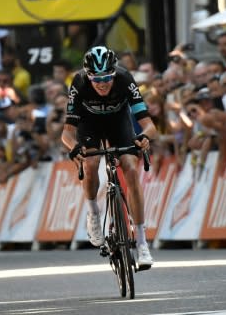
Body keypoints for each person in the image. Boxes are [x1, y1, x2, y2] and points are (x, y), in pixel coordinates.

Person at [61, 46, 156, 269]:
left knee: (131, 168)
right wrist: (74, 147)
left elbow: (149, 125)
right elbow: (66, 132)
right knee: (91, 162)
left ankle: (142, 242)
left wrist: (144, 137)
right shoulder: (79, 82)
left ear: (114, 73)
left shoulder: (125, 79)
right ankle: (93, 213)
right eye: (96, 79)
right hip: (89, 124)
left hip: (118, 123)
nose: (102, 83)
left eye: (107, 78)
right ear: (88, 76)